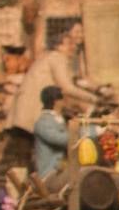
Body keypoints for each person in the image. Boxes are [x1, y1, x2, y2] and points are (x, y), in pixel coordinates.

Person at [8, 24, 97, 158]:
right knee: (29, 156)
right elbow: (66, 87)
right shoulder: (56, 57)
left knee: (27, 156)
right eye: (69, 44)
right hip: (30, 113)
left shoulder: (48, 57)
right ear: (59, 46)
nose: (73, 48)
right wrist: (91, 98)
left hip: (25, 112)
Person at [31, 86, 70, 179]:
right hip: (50, 174)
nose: (67, 101)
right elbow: (62, 140)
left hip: (61, 170)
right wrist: (93, 131)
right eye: (64, 98)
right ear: (56, 101)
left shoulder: (58, 119)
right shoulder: (44, 122)